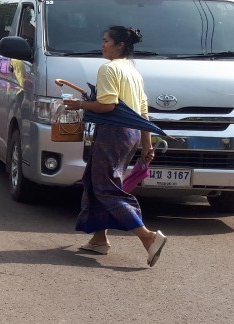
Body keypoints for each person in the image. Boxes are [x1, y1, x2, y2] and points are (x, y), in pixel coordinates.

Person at [62, 25, 167, 267]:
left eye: (106, 41)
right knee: (94, 181)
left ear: (119, 45)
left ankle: (148, 237)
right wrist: (146, 144)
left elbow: (107, 105)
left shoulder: (109, 69)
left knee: (106, 187)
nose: (102, 45)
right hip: (129, 134)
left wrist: (80, 105)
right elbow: (142, 112)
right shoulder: (133, 72)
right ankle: (99, 239)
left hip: (113, 133)